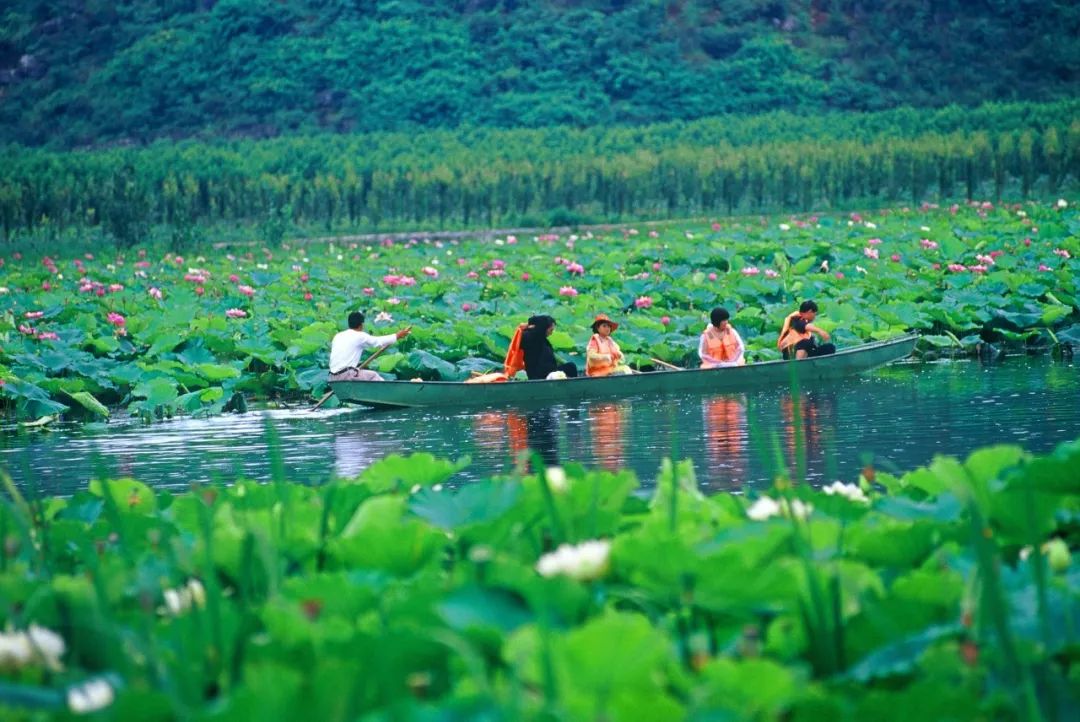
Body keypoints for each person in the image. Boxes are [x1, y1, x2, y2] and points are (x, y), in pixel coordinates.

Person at [328, 311, 411, 381]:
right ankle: (389, 394)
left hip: (333, 377)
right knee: (373, 375)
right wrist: (397, 336)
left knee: (361, 374)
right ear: (361, 325)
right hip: (347, 375)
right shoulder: (359, 336)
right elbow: (378, 342)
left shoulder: (338, 336)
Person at [520, 315, 578, 380]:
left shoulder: (541, 339)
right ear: (544, 327)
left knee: (570, 367)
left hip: (548, 372)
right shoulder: (531, 337)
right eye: (551, 330)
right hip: (540, 375)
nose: (551, 333)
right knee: (571, 367)